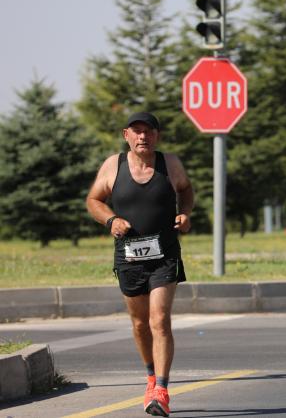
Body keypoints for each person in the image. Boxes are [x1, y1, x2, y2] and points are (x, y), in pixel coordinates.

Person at [86, 112, 193, 417]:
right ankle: (150, 376)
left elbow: (186, 190)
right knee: (140, 324)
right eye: (137, 131)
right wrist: (111, 220)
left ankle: (161, 390)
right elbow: (93, 200)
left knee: (159, 320)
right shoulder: (114, 165)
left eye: (148, 131)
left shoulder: (169, 163)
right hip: (129, 258)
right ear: (126, 135)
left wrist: (185, 214)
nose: (142, 136)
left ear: (157, 136)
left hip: (164, 255)